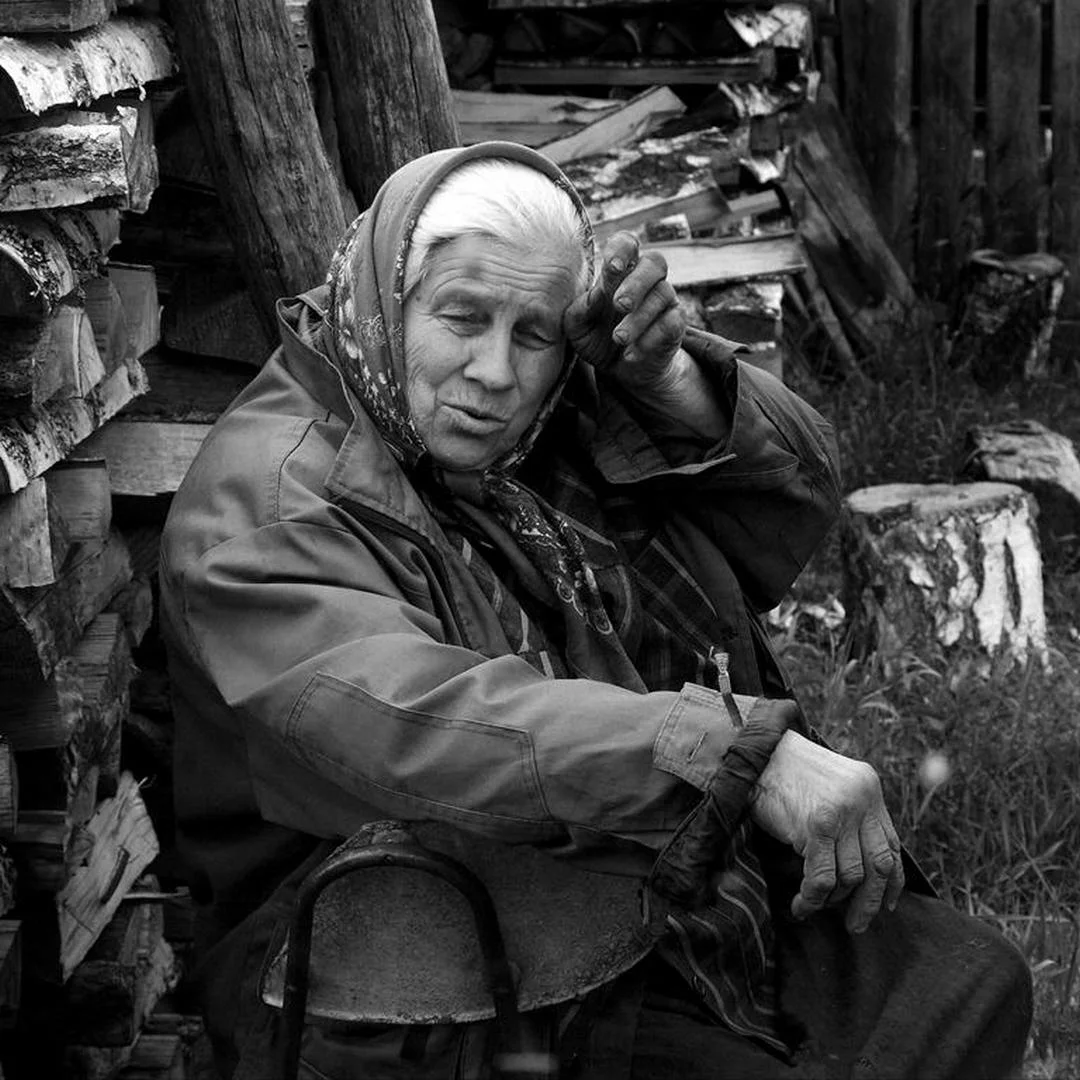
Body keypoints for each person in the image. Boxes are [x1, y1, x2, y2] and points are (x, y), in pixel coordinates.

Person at [159, 142, 1032, 1080]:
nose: (494, 371)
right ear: (385, 301)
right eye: (461, 316)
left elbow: (798, 496)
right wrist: (729, 753)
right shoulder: (269, 500)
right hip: (376, 942)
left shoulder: (531, 421)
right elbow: (415, 725)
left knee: (970, 981)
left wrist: (670, 379)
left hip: (602, 859)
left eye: (533, 334)